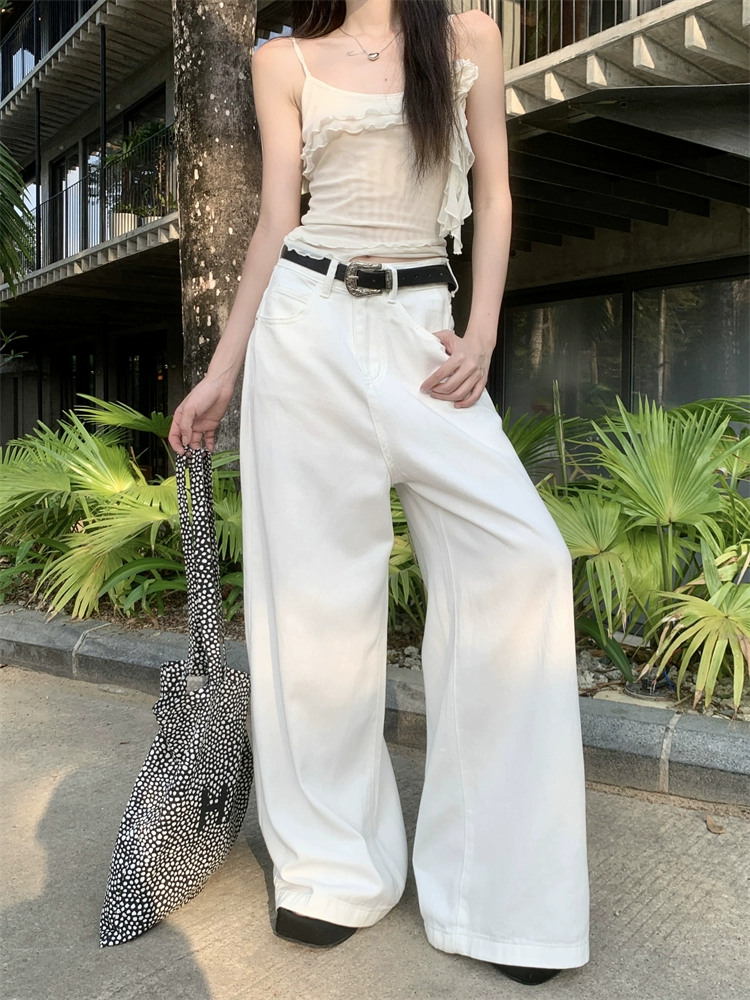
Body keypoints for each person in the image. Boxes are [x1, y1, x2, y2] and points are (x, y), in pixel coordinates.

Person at [168, 0, 590, 987]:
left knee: (525, 563)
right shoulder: (282, 60)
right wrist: (223, 371)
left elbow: (496, 194)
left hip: (426, 338)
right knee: (315, 609)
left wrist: (483, 333)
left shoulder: (469, 36)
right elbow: (276, 221)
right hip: (305, 331)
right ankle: (331, 869)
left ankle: (501, 894)